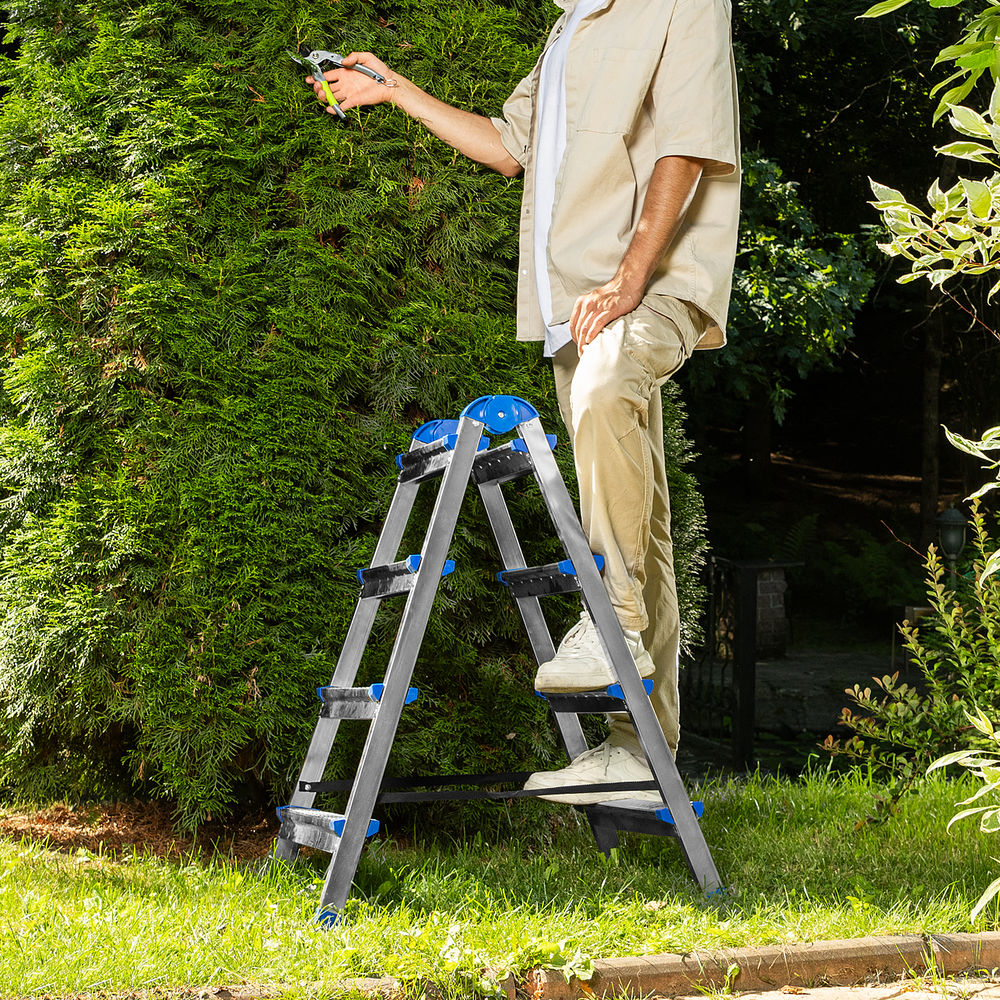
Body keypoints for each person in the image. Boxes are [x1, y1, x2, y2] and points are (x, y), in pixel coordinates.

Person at [307, 0, 740, 804]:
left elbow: (688, 142)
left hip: (650, 282)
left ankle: (613, 628)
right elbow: (510, 147)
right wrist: (395, 88)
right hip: (579, 303)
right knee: (636, 510)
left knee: (612, 382)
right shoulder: (572, 23)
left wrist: (630, 278)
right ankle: (639, 752)